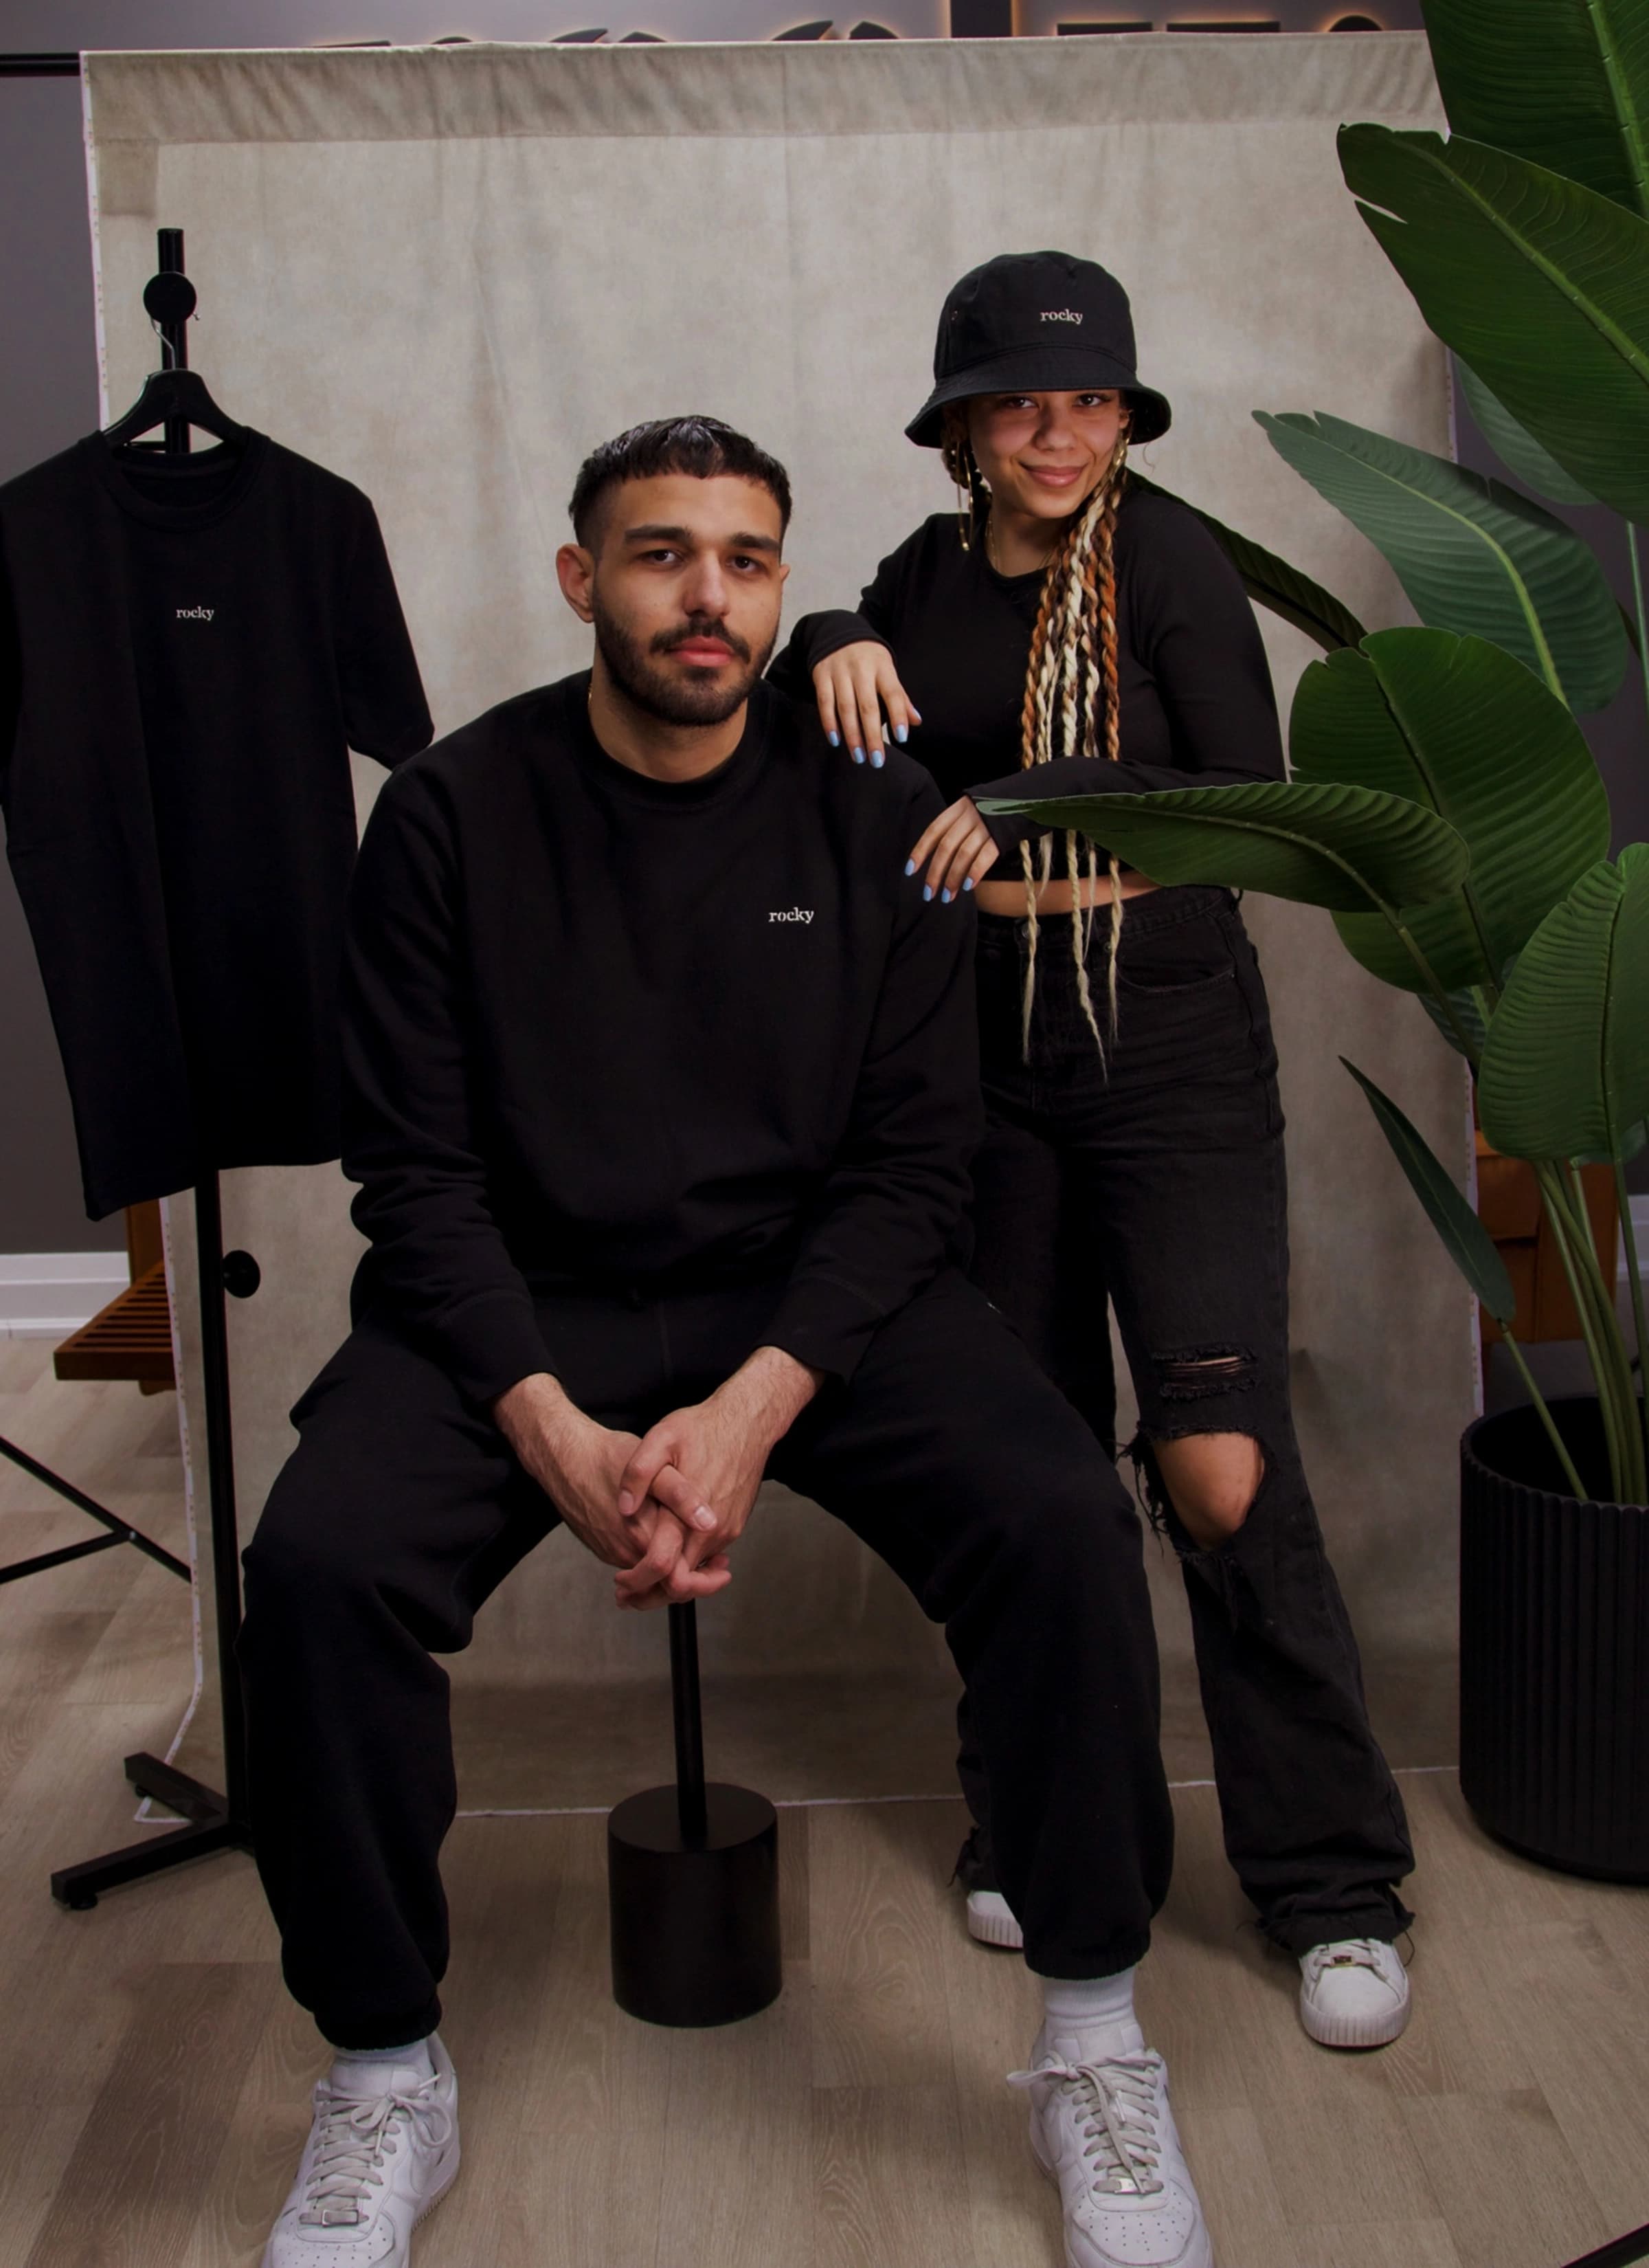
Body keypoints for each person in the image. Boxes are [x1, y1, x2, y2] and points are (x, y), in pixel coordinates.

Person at [243, 415, 1215, 2268]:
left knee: (1063, 1522)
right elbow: (415, 1172)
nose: (709, 597)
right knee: (317, 1564)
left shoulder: (878, 816)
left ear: (784, 582)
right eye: (663, 552)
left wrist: (755, 1406)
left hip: (810, 1295)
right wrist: (550, 1423)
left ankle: (1093, 2037)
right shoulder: (448, 814)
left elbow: (920, 1162)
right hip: (524, 1302)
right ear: (579, 577)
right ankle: (382, 2063)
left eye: (748, 558)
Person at [770, 250, 1417, 2052]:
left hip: (1172, 1053)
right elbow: (849, 679)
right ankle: (1052, 1830)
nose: (1059, 433)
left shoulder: (1175, 564)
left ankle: (1335, 1883)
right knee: (1038, 1476)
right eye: (1021, 403)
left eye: (1090, 401)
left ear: (1126, 416)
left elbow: (1249, 827)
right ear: (965, 426)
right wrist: (832, 640)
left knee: (1214, 1462)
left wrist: (1012, 829)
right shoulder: (926, 576)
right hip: (979, 1076)